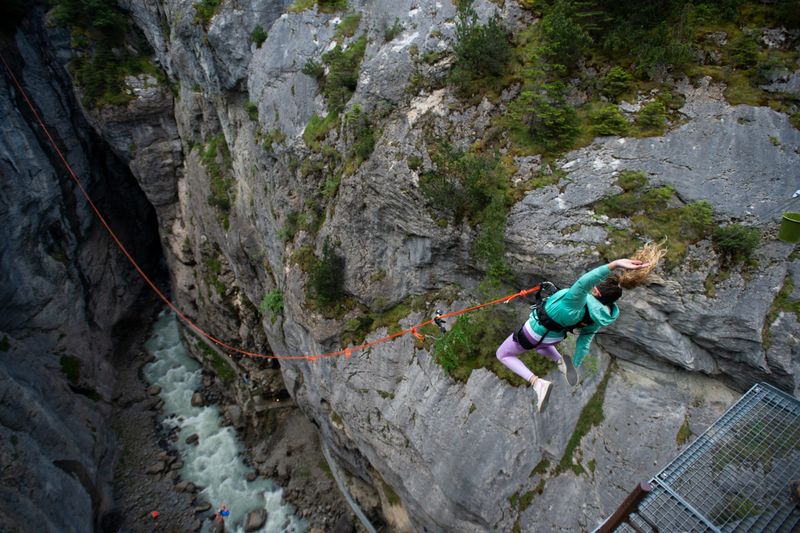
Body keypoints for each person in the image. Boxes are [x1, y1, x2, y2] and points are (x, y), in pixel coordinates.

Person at [496, 258, 651, 412]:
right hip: (553, 338)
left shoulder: (575, 300)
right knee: (540, 348)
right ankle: (560, 361)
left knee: (503, 354)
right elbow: (584, 342)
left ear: (596, 290)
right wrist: (575, 363)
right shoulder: (597, 317)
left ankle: (537, 383)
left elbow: (585, 282)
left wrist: (614, 265)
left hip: (535, 332)